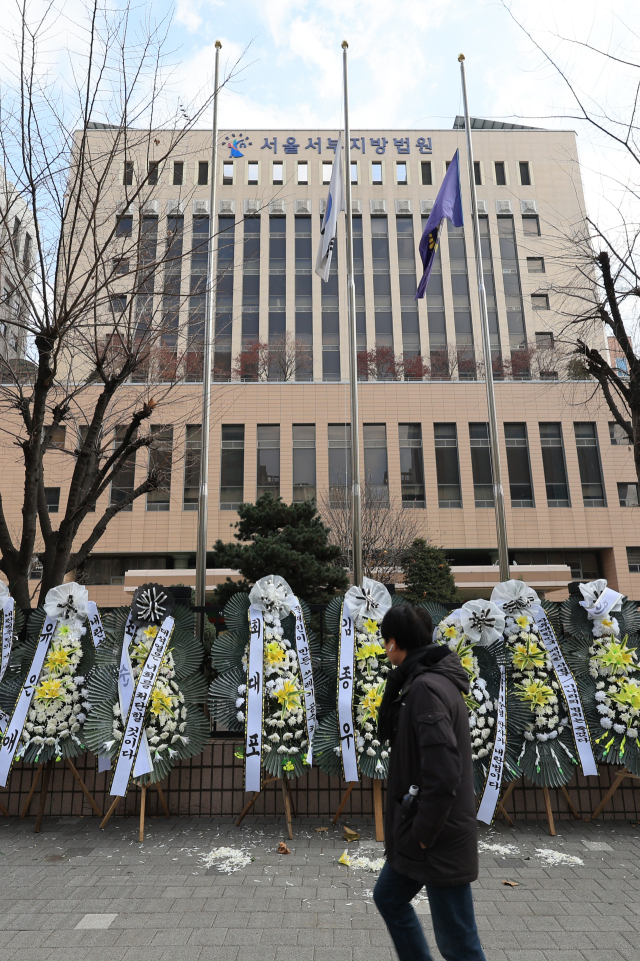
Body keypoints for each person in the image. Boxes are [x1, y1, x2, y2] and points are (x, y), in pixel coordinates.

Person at [373, 603, 486, 961]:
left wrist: (422, 833)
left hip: (436, 835)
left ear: (393, 643)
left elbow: (443, 772)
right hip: (425, 830)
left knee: (459, 944)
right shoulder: (426, 680)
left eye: (384, 642)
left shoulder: (425, 689)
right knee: (388, 897)